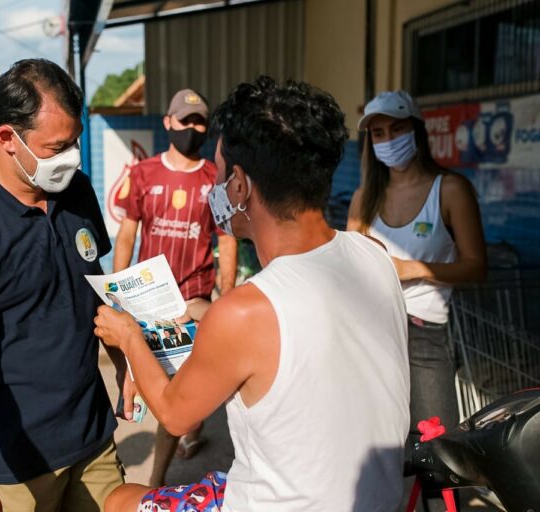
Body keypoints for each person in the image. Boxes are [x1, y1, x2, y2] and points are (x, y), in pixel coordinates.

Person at [95, 77, 411, 511]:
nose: (216, 187)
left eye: (221, 174)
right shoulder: (374, 256)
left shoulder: (245, 312)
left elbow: (174, 414)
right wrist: (210, 313)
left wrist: (129, 335)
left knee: (120, 500)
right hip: (383, 500)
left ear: (240, 187)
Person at [0, 59, 131, 512]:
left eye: (74, 143)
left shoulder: (77, 191)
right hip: (15, 468)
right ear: (6, 139)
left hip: (93, 441)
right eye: (57, 147)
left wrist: (123, 361)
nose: (70, 158)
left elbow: (97, 288)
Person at [347, 90, 487, 511]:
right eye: (378, 133)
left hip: (426, 336)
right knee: (381, 449)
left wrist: (414, 270)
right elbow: (351, 268)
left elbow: (476, 266)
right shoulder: (363, 198)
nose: (388, 139)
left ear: (418, 130)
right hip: (373, 335)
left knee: (441, 454)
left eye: (397, 128)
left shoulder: (450, 190)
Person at [113, 88, 238, 484]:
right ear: (167, 122)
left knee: (182, 389)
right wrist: (118, 295)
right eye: (185, 120)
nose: (193, 127)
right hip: (151, 300)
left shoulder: (213, 179)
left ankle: (155, 483)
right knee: (162, 389)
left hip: (195, 297)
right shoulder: (143, 174)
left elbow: (227, 239)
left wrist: (227, 295)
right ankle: (180, 441)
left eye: (200, 121)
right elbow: (127, 236)